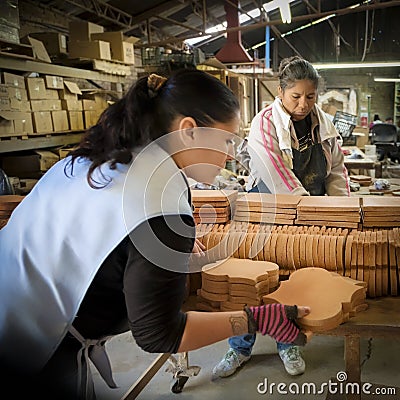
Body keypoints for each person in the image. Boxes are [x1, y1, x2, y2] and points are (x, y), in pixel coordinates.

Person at [0, 69, 310, 400]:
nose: (230, 156)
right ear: (189, 131)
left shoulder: (95, 157)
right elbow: (159, 334)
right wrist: (255, 320)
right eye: (226, 141)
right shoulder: (157, 210)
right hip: (31, 350)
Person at [213, 56, 349, 380]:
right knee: (252, 282)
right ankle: (239, 346)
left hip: (309, 213)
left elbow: (335, 171)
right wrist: (311, 213)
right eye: (296, 96)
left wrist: (340, 209)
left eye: (311, 96)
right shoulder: (265, 124)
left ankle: (287, 342)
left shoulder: (323, 125)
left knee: (293, 280)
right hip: (268, 212)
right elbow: (277, 176)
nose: (303, 104)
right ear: (280, 92)